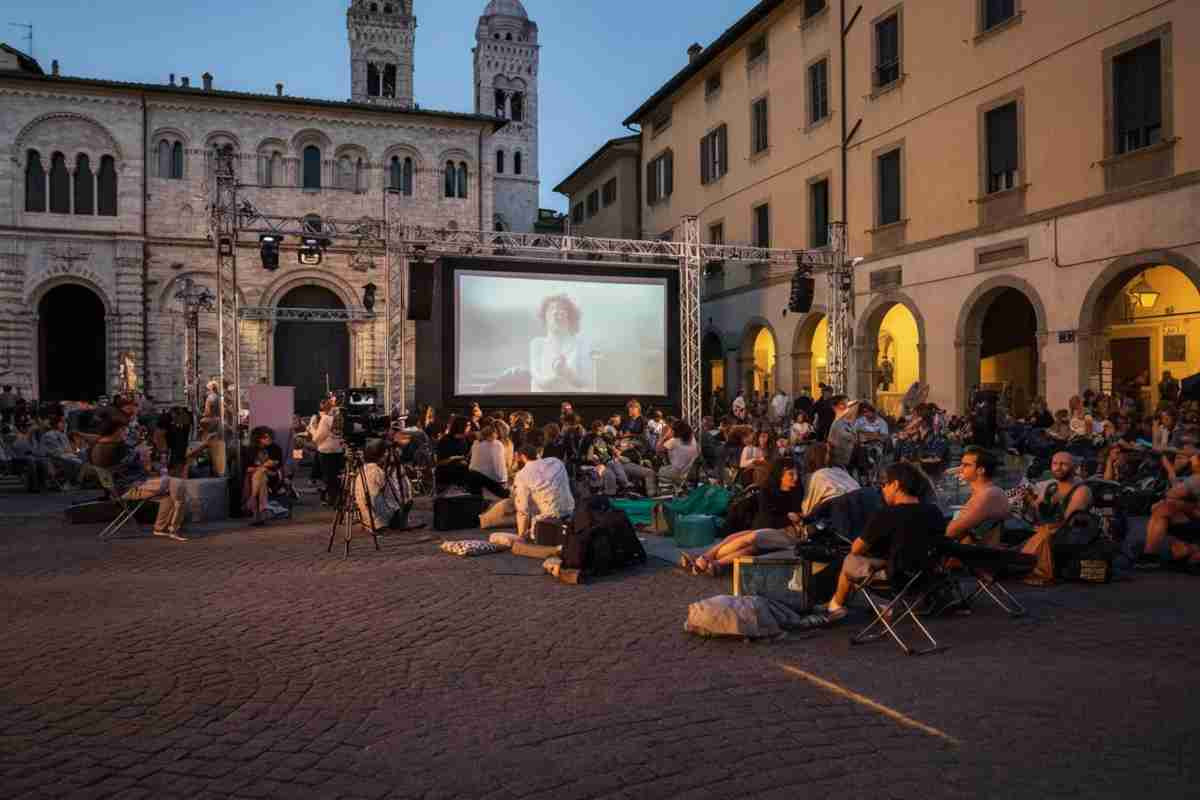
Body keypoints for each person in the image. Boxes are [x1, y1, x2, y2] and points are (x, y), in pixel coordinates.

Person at [802, 462, 947, 627]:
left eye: (885, 484)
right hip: (927, 577)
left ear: (896, 485)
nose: (883, 489)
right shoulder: (934, 512)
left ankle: (836, 606)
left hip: (895, 578)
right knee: (877, 561)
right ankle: (870, 604)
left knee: (850, 560)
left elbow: (856, 548)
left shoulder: (886, 514)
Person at [683, 459, 806, 576]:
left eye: (796, 474)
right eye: (791, 474)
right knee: (747, 542)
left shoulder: (797, 492)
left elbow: (797, 516)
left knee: (748, 540)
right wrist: (789, 518)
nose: (796, 477)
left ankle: (705, 559)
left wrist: (793, 519)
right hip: (766, 527)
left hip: (776, 532)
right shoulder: (767, 491)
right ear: (780, 475)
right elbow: (768, 518)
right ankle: (709, 560)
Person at [89, 410, 189, 540]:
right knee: (178, 484)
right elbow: (126, 468)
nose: (125, 433)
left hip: (121, 487)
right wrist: (143, 457)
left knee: (169, 492)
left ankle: (161, 528)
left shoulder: (100, 445)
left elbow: (123, 468)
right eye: (123, 430)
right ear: (116, 431)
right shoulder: (111, 448)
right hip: (129, 487)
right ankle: (174, 529)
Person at [1018, 452, 1093, 584]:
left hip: (1070, 536)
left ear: (1075, 467)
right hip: (1048, 531)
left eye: (1063, 464)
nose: (1058, 467)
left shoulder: (1081, 490)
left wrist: (1056, 506)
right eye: (1055, 464)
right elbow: (1037, 516)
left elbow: (1068, 522)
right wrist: (1029, 502)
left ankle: (1039, 571)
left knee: (1042, 535)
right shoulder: (1052, 487)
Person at [1142, 446, 1200, 568]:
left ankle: (1150, 556)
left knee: (1162, 509)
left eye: (1191, 459)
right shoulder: (1191, 478)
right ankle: (1188, 548)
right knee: (1161, 509)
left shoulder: (1196, 478)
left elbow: (1172, 493)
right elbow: (1174, 481)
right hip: (1193, 518)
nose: (1190, 461)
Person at [945, 446, 1011, 545]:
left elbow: (950, 532)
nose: (960, 469)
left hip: (971, 555)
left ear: (980, 470)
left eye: (966, 465)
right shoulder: (990, 491)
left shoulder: (987, 495)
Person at [529, 293, 594, 393]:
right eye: (550, 309)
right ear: (544, 317)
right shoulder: (537, 344)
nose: (555, 312)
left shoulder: (582, 344)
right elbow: (539, 380)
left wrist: (567, 372)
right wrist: (559, 374)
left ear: (570, 316)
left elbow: (586, 382)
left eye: (561, 309)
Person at [511, 443, 574, 539]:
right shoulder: (556, 462)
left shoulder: (522, 475)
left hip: (547, 522)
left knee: (520, 502)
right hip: (570, 513)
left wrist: (521, 536)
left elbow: (523, 510)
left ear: (523, 457)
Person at [436, 416, 509, 497]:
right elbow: (439, 462)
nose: (470, 428)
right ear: (460, 426)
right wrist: (454, 458)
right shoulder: (445, 440)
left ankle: (479, 498)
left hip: (463, 469)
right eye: (467, 425)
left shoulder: (465, 440)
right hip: (447, 470)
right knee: (477, 476)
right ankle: (503, 493)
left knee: (479, 475)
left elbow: (468, 457)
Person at [354, 438, 414, 531]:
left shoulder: (362, 471)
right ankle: (399, 523)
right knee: (407, 502)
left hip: (366, 517)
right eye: (386, 452)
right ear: (380, 454)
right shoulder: (378, 472)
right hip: (381, 518)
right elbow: (393, 497)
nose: (387, 455)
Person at [800, 442, 861, 517]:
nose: (830, 456)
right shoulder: (820, 475)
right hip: (852, 506)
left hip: (848, 507)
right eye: (827, 453)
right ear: (818, 455)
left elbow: (808, 507)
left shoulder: (831, 471)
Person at [243, 426, 284, 526]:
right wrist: (263, 466)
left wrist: (262, 467)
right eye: (265, 437)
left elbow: (277, 465)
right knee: (261, 476)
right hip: (258, 478)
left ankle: (252, 500)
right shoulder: (250, 450)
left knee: (261, 473)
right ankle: (262, 509)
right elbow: (247, 469)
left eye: (269, 436)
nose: (268, 438)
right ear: (258, 438)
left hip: (273, 476)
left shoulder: (275, 448)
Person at [312, 396, 346, 505]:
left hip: (326, 451)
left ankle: (333, 500)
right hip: (339, 450)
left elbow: (318, 437)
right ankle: (339, 498)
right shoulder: (343, 416)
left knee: (329, 478)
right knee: (339, 476)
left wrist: (312, 430)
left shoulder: (326, 418)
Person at [583, 419, 630, 496]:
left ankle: (625, 485)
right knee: (611, 471)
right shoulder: (589, 439)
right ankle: (611, 493)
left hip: (607, 460)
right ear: (594, 430)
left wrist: (615, 453)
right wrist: (594, 459)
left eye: (602, 430)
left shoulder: (603, 437)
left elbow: (609, 447)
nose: (600, 433)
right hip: (598, 463)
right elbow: (588, 456)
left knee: (615, 463)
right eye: (599, 431)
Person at [656, 419, 699, 490]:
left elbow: (657, 449)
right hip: (687, 473)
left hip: (676, 473)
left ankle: (665, 489)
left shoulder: (674, 442)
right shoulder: (693, 440)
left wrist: (664, 437)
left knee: (659, 470)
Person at [42, 415, 83, 487]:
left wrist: (76, 450)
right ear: (56, 423)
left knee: (83, 456)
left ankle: (77, 481)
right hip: (56, 458)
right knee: (76, 462)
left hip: (67, 456)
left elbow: (69, 448)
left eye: (65, 423)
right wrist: (71, 452)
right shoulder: (49, 435)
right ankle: (71, 481)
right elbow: (56, 451)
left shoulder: (63, 435)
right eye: (62, 422)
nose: (64, 424)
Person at [468, 423, 509, 492]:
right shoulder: (497, 444)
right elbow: (499, 466)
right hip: (494, 480)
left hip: (474, 478)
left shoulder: (476, 443)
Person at [825, 396, 856, 469]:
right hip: (838, 463)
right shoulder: (835, 424)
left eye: (847, 404)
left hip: (850, 461)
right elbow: (830, 444)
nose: (846, 406)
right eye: (842, 404)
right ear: (834, 407)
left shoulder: (848, 423)